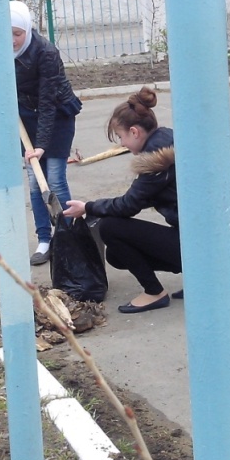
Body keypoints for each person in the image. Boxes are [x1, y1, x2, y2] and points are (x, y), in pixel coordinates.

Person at [62, 86, 182, 314]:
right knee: (116, 255)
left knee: (111, 228)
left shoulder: (157, 160)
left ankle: (154, 292)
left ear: (135, 132)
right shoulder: (167, 140)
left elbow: (129, 205)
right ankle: (199, 276)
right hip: (207, 241)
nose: (122, 144)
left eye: (121, 136)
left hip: (193, 243)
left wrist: (88, 207)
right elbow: (143, 197)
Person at [11, 0, 81, 266]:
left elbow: (49, 101)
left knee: (54, 178)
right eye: (8, 34)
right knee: (33, 181)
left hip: (58, 113)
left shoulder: (45, 52)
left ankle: (70, 235)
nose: (13, 41)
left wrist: (40, 145)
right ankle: (44, 239)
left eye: (17, 34)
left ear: (27, 30)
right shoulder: (0, 51)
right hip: (26, 116)